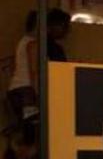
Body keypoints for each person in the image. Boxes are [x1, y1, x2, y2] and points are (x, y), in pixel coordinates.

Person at [7, 9, 71, 148]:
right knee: (34, 139)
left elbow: (15, 67)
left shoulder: (22, 41)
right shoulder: (33, 43)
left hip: (16, 91)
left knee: (28, 135)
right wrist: (39, 96)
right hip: (27, 93)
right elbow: (35, 72)